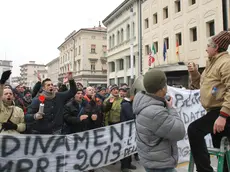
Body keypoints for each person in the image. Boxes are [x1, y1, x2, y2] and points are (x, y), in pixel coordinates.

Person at [187, 30, 230, 172]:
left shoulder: (225, 63)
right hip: (214, 112)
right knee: (222, 148)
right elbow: (202, 84)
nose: (206, 48)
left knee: (194, 130)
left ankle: (204, 170)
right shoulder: (212, 63)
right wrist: (194, 73)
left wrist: (223, 115)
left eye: (208, 45)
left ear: (216, 47)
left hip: (221, 111)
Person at [133, 69, 185, 172]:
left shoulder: (142, 100)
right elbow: (180, 132)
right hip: (160, 165)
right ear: (161, 89)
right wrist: (171, 109)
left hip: (152, 160)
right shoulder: (156, 113)